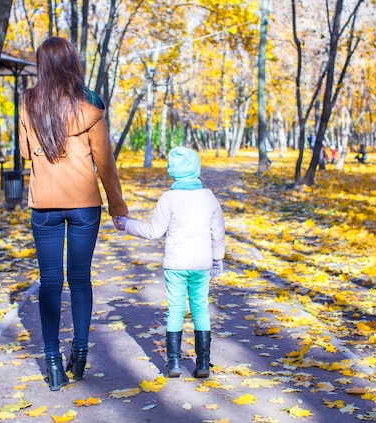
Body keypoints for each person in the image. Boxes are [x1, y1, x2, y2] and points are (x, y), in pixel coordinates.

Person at [19, 36, 129, 391]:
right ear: (72, 62)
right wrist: (117, 205)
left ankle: (53, 363)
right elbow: (105, 163)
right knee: (79, 278)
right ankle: (78, 355)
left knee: (50, 282)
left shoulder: (28, 101)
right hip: (84, 204)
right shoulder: (91, 103)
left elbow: (24, 152)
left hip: (44, 205)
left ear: (42, 65)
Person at [115, 146, 225, 378]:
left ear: (172, 172)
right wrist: (218, 258)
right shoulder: (208, 197)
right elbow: (218, 232)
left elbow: (154, 231)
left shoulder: (169, 198)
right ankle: (203, 363)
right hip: (201, 263)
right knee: (200, 309)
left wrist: (126, 224)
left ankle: (173, 364)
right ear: (196, 169)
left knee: (175, 310)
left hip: (175, 264)